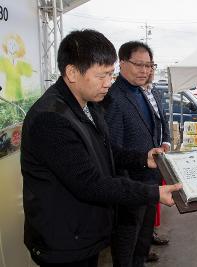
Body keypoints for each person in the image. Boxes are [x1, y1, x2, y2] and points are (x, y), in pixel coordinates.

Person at [21, 29, 181, 267]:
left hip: (83, 231)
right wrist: (153, 193)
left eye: (110, 74)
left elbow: (106, 151)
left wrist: (143, 158)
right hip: (64, 241)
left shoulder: (88, 104)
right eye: (102, 75)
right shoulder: (51, 119)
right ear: (72, 72)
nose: (109, 83)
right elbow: (90, 183)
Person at [104, 41, 171, 267]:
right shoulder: (113, 97)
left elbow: (156, 127)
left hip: (151, 182)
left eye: (149, 65)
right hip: (129, 185)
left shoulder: (141, 92)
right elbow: (113, 151)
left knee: (143, 240)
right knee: (126, 243)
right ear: (122, 64)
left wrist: (163, 144)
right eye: (139, 65)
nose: (145, 70)